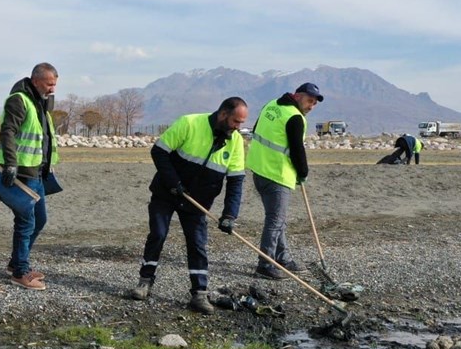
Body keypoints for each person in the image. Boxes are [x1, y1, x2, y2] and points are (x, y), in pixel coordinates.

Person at [128, 97, 249, 313]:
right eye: (236, 122)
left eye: (241, 123)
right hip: (167, 192)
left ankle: (199, 294)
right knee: (158, 234)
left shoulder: (236, 141)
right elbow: (159, 151)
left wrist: (230, 215)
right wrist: (174, 183)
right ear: (223, 115)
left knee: (197, 244)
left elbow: (236, 181)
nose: (238, 127)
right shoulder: (189, 123)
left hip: (198, 203)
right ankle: (145, 281)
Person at [246, 82, 323, 280]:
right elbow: (298, 150)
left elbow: (256, 130)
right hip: (276, 174)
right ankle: (265, 264)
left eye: (314, 104)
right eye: (309, 101)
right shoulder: (295, 117)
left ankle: (282, 257)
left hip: (258, 169)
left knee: (276, 218)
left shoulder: (271, 105)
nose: (311, 107)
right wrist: (303, 172)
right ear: (297, 96)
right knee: (275, 220)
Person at [0, 62, 59, 290]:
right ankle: (20, 272)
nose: (52, 89)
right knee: (26, 222)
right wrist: (11, 164)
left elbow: (44, 137)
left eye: (54, 85)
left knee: (39, 220)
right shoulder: (19, 100)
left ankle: (16, 264)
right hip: (23, 172)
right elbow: (8, 132)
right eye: (49, 84)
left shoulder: (39, 103)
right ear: (36, 81)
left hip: (39, 172)